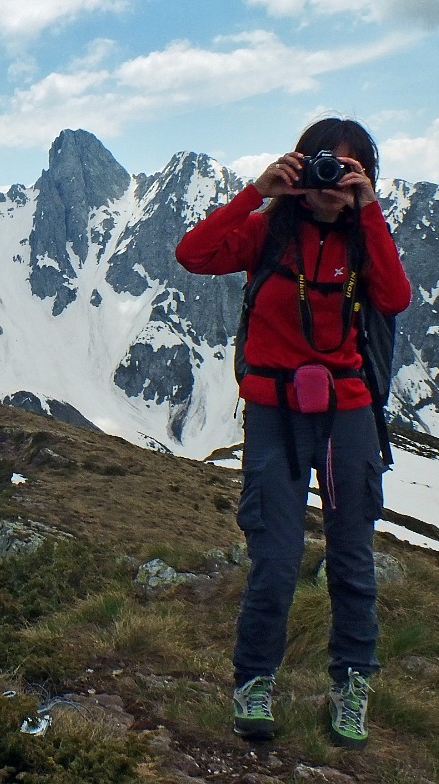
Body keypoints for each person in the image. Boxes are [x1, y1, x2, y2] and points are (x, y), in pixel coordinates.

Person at [174, 117, 411, 749]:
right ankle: (254, 685)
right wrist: (259, 193)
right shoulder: (266, 232)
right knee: (274, 562)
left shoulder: (366, 239)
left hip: (348, 415)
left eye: (349, 168)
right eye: (321, 165)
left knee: (352, 561)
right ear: (299, 167)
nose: (332, 181)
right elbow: (192, 255)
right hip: (275, 414)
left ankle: (351, 688)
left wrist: (369, 212)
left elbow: (394, 299)